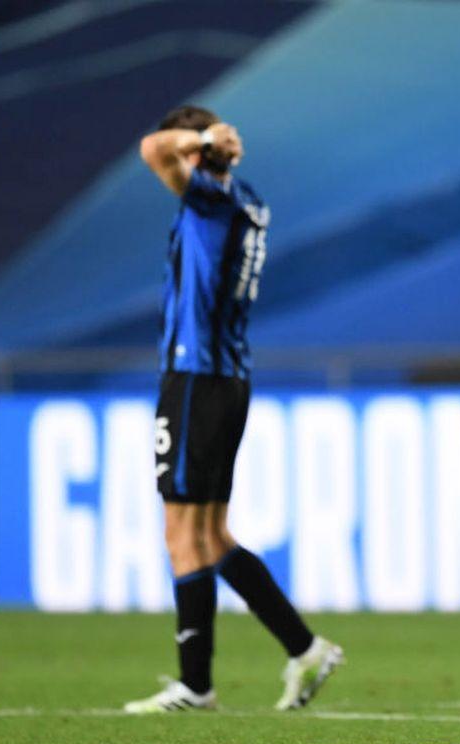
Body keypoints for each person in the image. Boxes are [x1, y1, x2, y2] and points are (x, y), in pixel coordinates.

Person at [125, 105, 342, 713]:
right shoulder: (246, 199)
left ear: (195, 154)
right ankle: (303, 648)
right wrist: (209, 144)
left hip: (196, 377)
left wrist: (197, 140)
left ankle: (197, 684)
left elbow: (151, 149)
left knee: (182, 532)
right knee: (211, 534)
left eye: (189, 152)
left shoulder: (209, 199)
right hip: (228, 379)